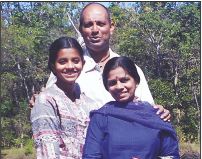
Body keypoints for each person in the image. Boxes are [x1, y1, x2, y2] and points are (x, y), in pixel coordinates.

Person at [31, 2, 171, 121]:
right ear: (81, 30)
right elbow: (49, 104)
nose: (95, 30)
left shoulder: (131, 69)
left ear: (111, 27)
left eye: (100, 24)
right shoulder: (69, 69)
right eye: (88, 25)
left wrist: (160, 112)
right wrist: (39, 100)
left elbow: (148, 111)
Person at [82, 56, 180, 159]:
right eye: (112, 83)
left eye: (125, 80)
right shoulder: (101, 117)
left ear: (136, 81)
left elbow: (172, 157)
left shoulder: (157, 115)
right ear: (107, 87)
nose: (119, 86)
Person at [30, 37, 98, 159]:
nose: (70, 66)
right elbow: (46, 150)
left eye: (75, 60)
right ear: (53, 66)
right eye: (62, 62)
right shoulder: (46, 100)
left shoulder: (89, 103)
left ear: (83, 64)